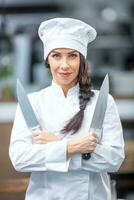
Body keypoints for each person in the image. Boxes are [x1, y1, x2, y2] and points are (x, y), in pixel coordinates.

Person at [9, 18, 125, 200]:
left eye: (72, 55)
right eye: (57, 56)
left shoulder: (103, 101)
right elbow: (20, 159)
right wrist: (73, 146)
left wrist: (55, 144)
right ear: (47, 59)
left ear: (81, 60)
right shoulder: (32, 102)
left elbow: (114, 160)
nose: (64, 65)